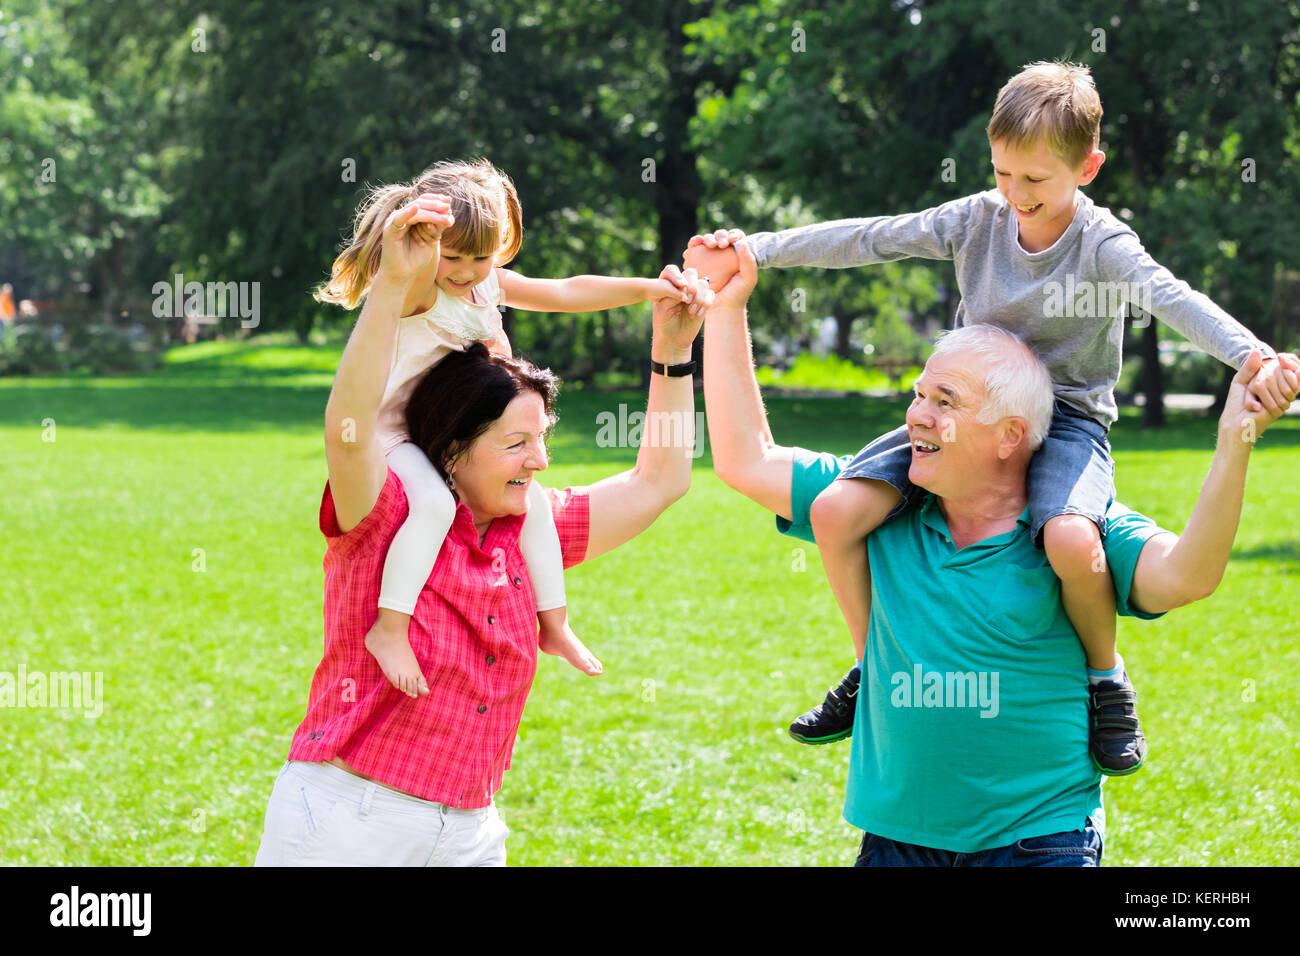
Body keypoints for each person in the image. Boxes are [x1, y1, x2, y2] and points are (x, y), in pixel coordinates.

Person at [686, 61, 1296, 774]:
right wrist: (757, 249)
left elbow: (1172, 297)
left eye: (1035, 180)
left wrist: (1252, 357)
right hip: (965, 407)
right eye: (1004, 173)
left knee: (1071, 540)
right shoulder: (977, 220)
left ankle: (1106, 677)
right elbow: (872, 237)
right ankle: (873, 664)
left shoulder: (1103, 245)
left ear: (1087, 167)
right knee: (835, 513)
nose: (1015, 194)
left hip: (1063, 419)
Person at [703, 243, 1299, 865]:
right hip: (897, 840)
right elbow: (745, 460)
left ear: (1010, 435)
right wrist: (727, 306)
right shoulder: (879, 505)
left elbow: (1188, 576)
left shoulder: (1075, 528)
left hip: (1041, 840)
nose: (916, 418)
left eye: (946, 402)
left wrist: (1235, 441)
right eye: (918, 395)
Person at [253, 190, 713, 865]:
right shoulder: (384, 514)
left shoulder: (532, 528)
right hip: (347, 823)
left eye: (542, 439)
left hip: (470, 834)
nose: (541, 460)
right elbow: (348, 433)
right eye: (516, 443)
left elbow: (662, 481)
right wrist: (391, 287)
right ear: (452, 446)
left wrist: (672, 352)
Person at [316, 158, 686, 698]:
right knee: (437, 507)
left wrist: (650, 288)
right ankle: (390, 627)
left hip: (448, 435)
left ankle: (554, 625)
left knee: (530, 505)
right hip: (395, 436)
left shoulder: (489, 284)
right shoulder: (421, 291)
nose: (466, 271)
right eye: (454, 256)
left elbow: (565, 291)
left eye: (481, 257)